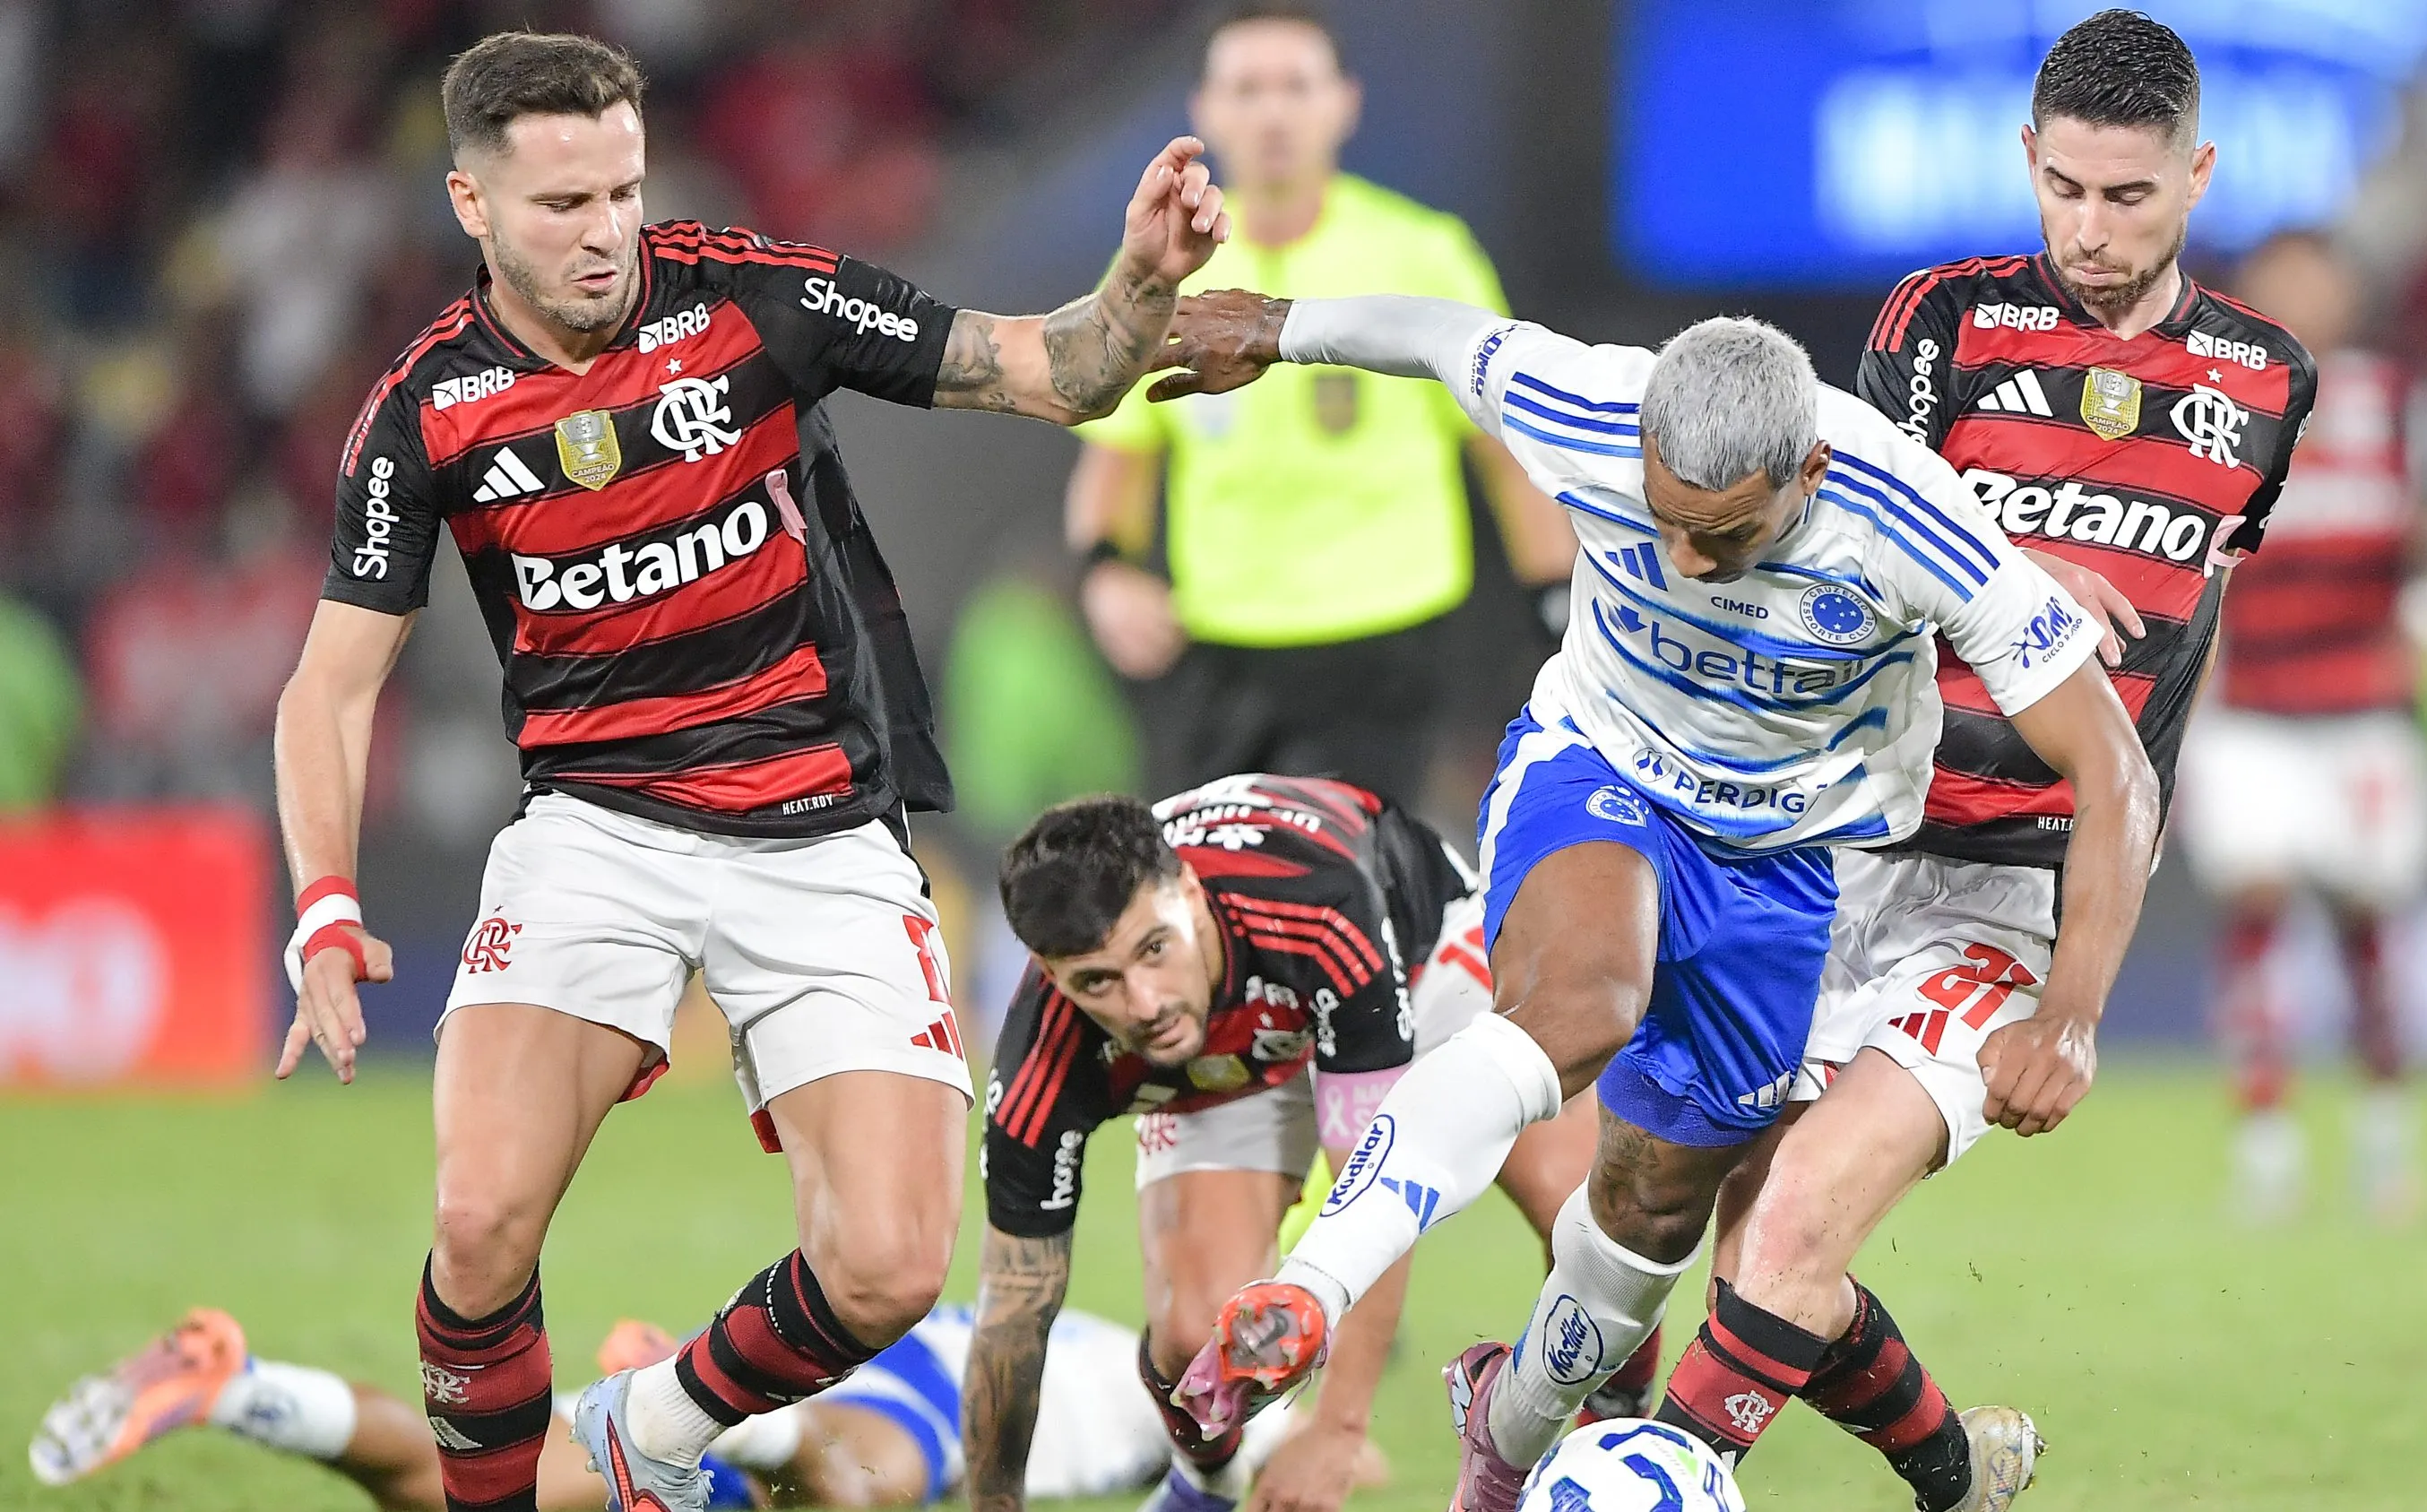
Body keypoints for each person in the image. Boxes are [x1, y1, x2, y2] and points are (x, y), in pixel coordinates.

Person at [268, 31, 1227, 1512]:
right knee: (476, 1226)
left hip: (821, 834)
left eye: (623, 193)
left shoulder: (755, 298)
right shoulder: (423, 411)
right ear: (470, 203)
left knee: (894, 1266)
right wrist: (326, 907)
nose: (604, 234)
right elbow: (331, 690)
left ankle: (648, 1427)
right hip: (592, 835)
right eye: (561, 205)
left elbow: (1059, 371)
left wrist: (1143, 282)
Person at [1144, 279, 2156, 1512]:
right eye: (1666, 519)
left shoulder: (1908, 517)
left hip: (1790, 867)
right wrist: (1276, 328)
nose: (1683, 557)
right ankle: (1312, 1282)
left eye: (1723, 535)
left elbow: (2114, 767)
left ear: (1813, 470)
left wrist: (2073, 1011)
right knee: (1581, 1003)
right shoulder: (1588, 404)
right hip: (1600, 766)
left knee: (1647, 1216)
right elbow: (1440, 335)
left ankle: (1503, 1448)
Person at [1642, 14, 2318, 1512]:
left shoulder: (2268, 381)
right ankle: (1959, 1473)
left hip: (2017, 885)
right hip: (1843, 837)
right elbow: (1837, 556)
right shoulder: (1937, 326)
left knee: (1793, 1230)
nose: (2090, 227)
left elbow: (2169, 679)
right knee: (1742, 1250)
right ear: (2028, 160)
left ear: (2198, 175)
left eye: (2129, 197)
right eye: (2065, 188)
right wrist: (2000, 576)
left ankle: (1638, 1481)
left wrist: (2075, 1006)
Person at [962, 775, 1630, 1512]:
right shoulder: (1042, 1060)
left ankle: (1617, 1437)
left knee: (1590, 1212)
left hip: (1415, 962)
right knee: (1190, 1339)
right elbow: (1013, 1315)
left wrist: (1338, 1430)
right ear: (1052, 976)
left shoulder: (1315, 908)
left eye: (1154, 948)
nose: (1143, 1003)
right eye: (1098, 982)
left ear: (1186, 891)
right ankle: (1205, 1484)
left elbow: (1383, 1178)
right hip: (1232, 1051)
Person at [1067, 2, 1572, 805]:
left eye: (1297, 86)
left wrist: (1557, 598)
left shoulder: (1423, 253)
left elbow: (1505, 446)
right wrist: (1106, 571)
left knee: (1360, 893)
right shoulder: (1159, 266)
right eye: (1248, 87)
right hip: (1220, 645)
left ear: (1345, 103)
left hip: (1386, 640)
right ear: (1204, 110)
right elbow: (1118, 451)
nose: (1273, 112)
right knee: (1216, 899)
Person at [2179, 229, 2427, 1223]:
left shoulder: (2402, 403)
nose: (2300, 296)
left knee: (2368, 916)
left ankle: (2385, 1132)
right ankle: (2267, 1142)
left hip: (2364, 708)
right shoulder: (2216, 403)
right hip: (2251, 712)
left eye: (2316, 279)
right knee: (2256, 899)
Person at [30, 1305, 1174, 1509]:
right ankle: (733, 1413)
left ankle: (231, 1382)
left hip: (807, 1346)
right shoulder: (1164, 1387)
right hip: (917, 1383)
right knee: (863, 1486)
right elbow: (1242, 1454)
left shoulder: (1120, 1341)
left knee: (468, 1486)